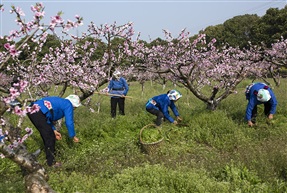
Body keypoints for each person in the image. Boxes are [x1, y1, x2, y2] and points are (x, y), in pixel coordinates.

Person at [27, 95, 81, 167]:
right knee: (50, 137)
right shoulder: (68, 105)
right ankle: (51, 163)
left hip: (32, 110)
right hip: (38, 112)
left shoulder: (61, 102)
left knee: (48, 135)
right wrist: (73, 136)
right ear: (74, 105)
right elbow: (69, 122)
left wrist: (54, 130)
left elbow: (47, 117)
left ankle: (49, 159)